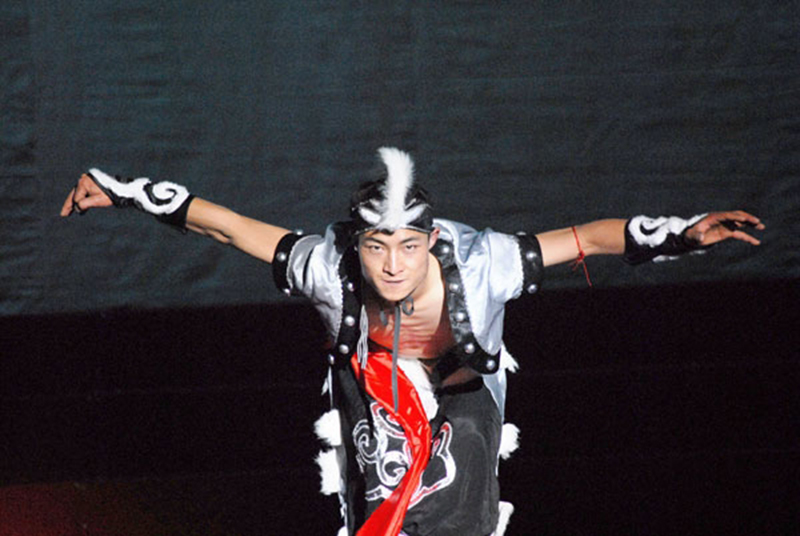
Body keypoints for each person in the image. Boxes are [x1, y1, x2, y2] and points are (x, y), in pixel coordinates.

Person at [60, 147, 763, 536]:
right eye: (376, 247)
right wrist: (124, 191)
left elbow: (588, 239)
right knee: (378, 510)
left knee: (459, 509)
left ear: (430, 240)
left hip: (462, 395)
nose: (393, 265)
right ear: (357, 243)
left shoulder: (484, 263)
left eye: (407, 246)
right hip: (372, 391)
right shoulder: (327, 266)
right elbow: (226, 226)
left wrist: (683, 232)